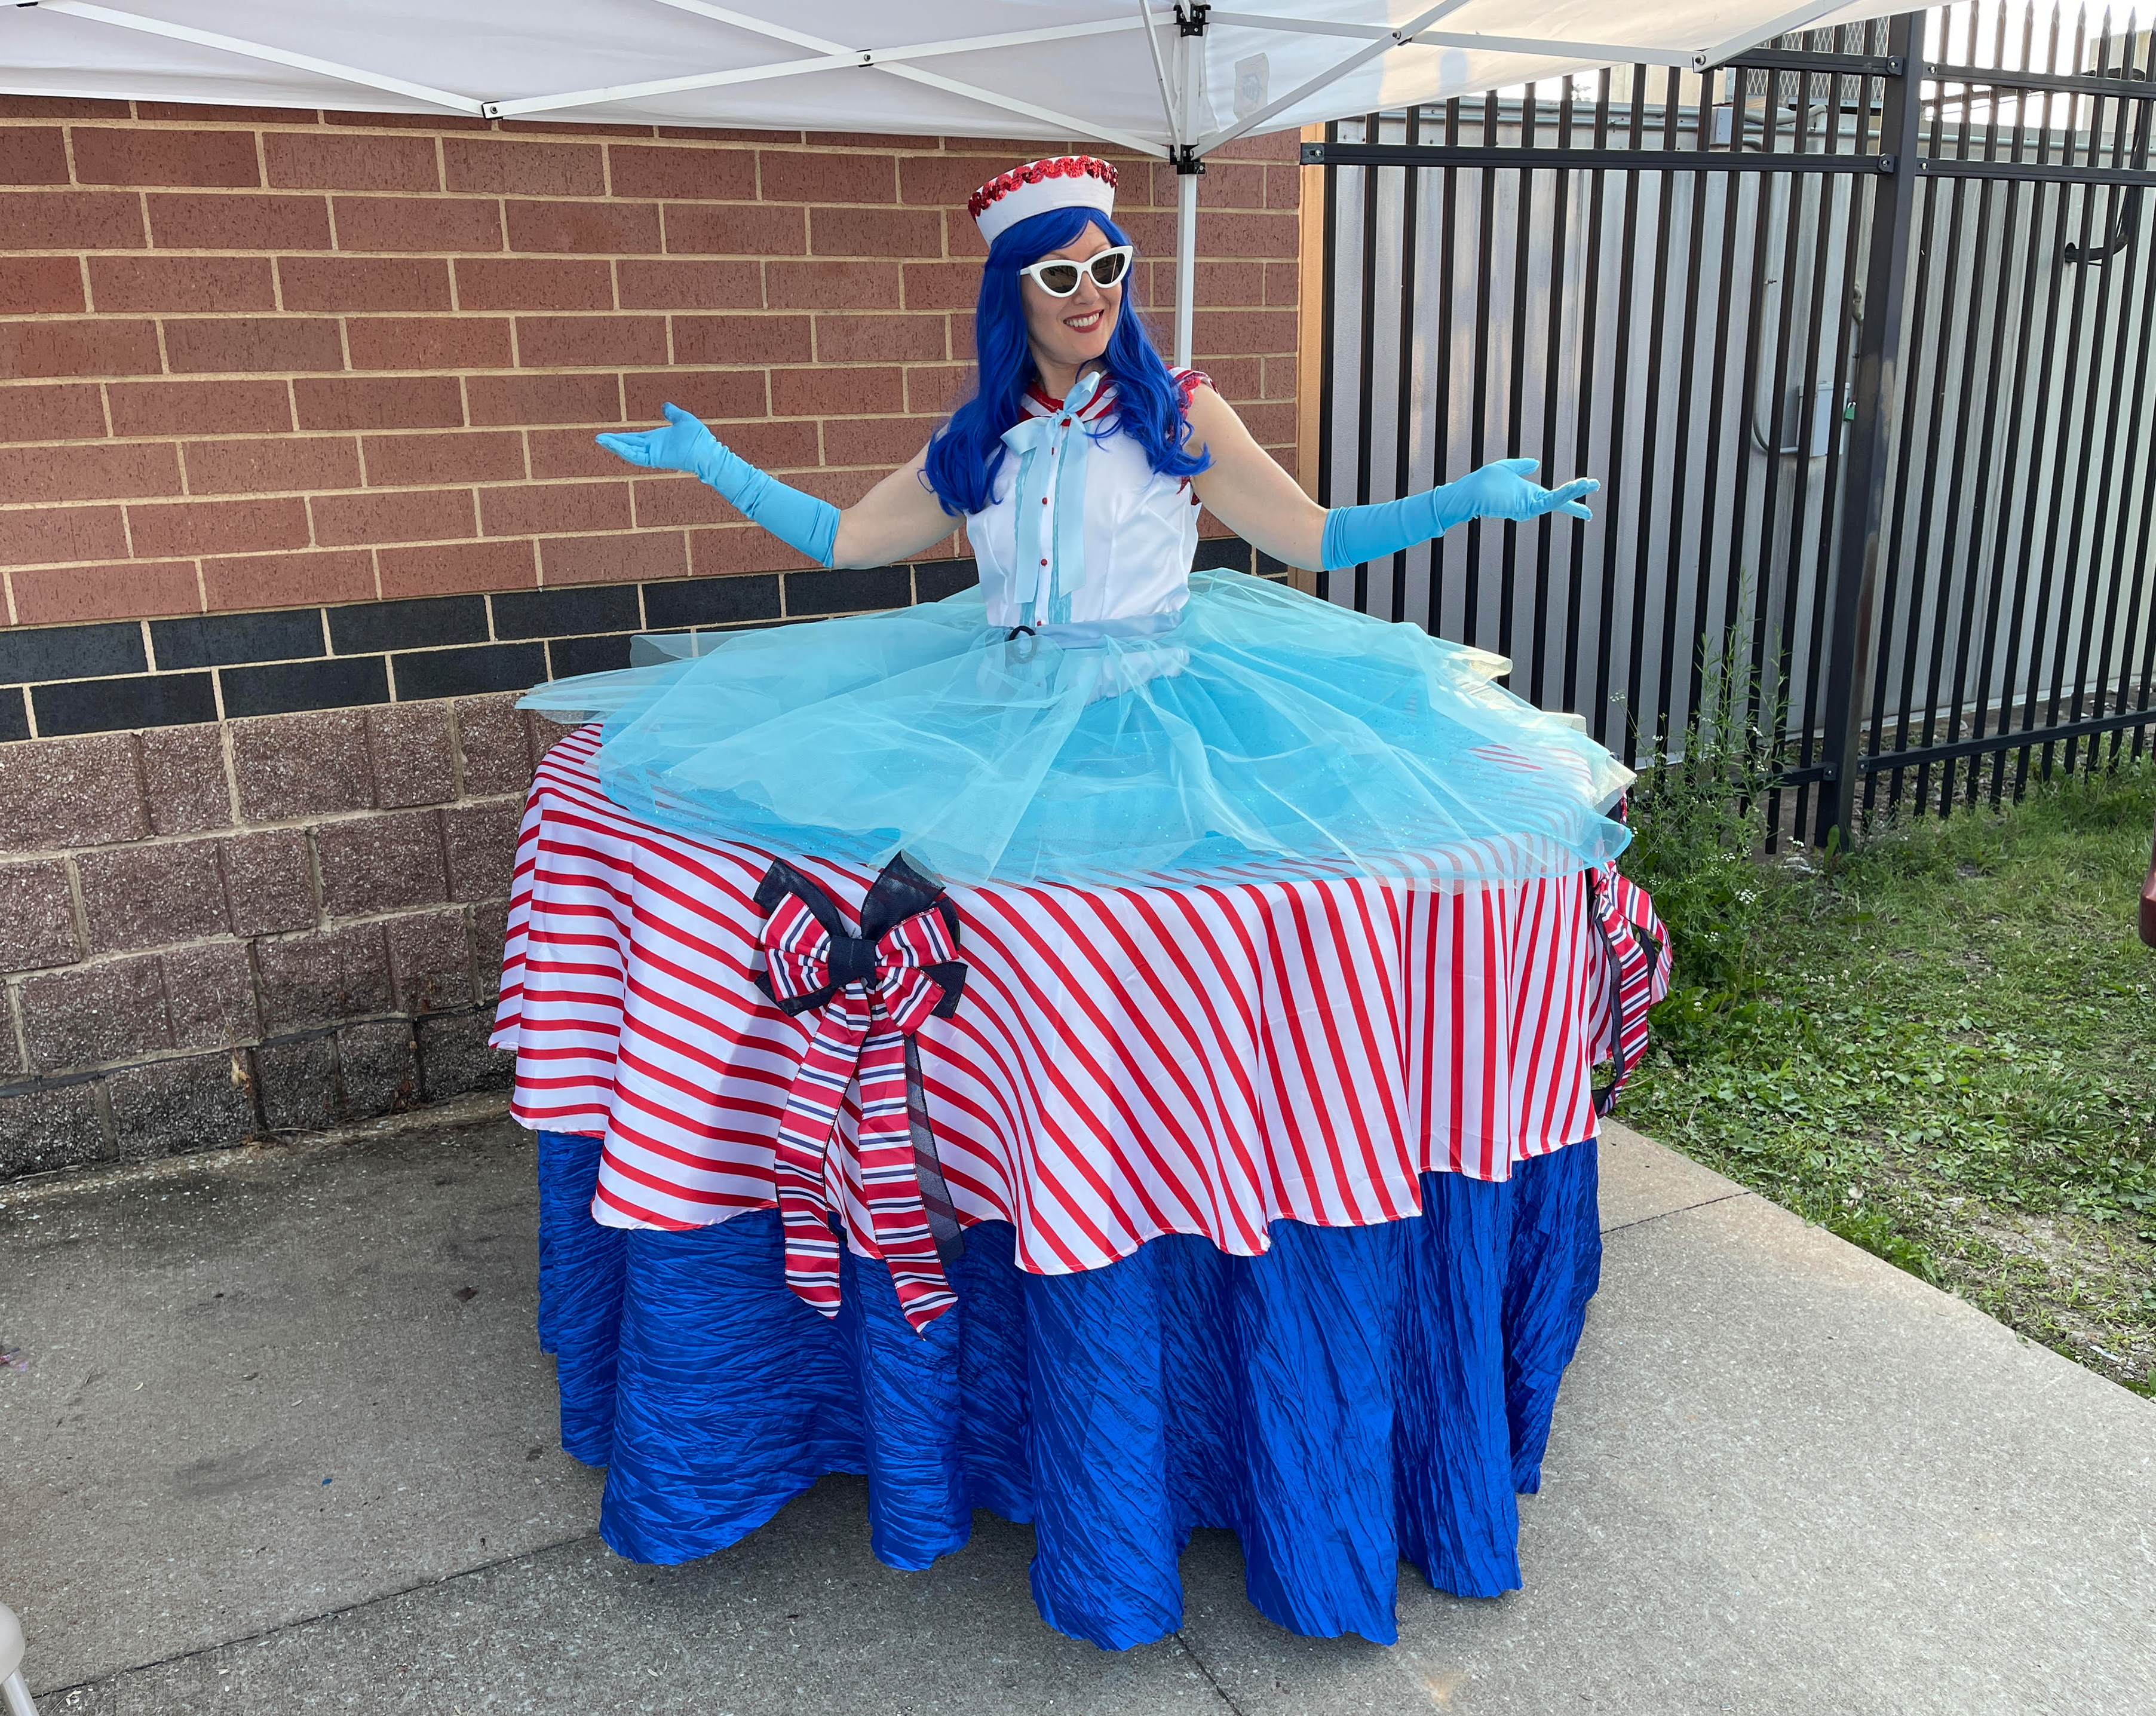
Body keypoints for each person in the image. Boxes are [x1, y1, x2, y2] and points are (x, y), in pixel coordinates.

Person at [525, 154, 1629, 890]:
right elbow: (846, 543)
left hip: (1159, 708)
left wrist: (1467, 499)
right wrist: (715, 463)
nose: (1090, 291)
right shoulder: (979, 436)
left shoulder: (1176, 409)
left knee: (1156, 924)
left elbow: (1315, 538)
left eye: (1109, 266)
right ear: (1014, 290)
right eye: (1061, 273)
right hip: (1001, 703)